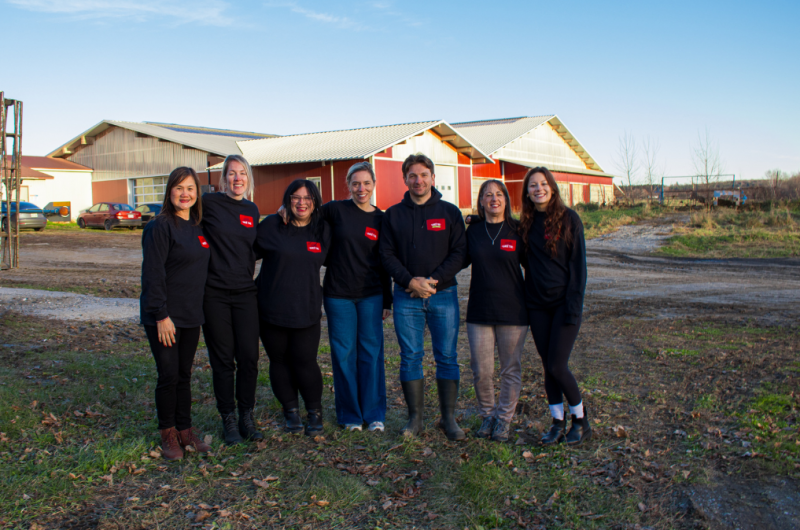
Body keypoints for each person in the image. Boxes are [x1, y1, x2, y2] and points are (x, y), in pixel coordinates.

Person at [379, 153, 467, 441]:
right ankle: (415, 419)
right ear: (405, 179)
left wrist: (432, 281)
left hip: (443, 295)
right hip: (406, 296)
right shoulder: (393, 214)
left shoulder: (449, 212)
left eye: (424, 175)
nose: (418, 180)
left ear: (433, 177)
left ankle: (448, 419)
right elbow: (386, 254)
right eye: (412, 176)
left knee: (447, 356)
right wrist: (409, 281)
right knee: (410, 357)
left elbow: (460, 253)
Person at [140, 167, 211, 460]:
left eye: (191, 189)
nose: (185, 194)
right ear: (170, 191)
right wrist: (160, 315)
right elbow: (153, 274)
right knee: (168, 375)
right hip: (165, 316)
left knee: (183, 374)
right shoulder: (160, 227)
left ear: (197, 193)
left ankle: (185, 431)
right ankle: (167, 434)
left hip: (191, 313)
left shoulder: (198, 227)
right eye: (179, 188)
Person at [518, 167, 590, 446]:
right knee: (548, 366)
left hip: (564, 304)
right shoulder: (525, 222)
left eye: (543, 184)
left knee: (559, 365)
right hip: (537, 306)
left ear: (552, 187)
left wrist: (574, 305)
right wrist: (476, 219)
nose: (538, 189)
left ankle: (581, 421)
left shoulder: (570, 219)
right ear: (527, 191)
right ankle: (557, 423)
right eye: (533, 185)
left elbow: (578, 268)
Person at [320, 162, 392, 433]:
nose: (361, 189)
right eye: (356, 183)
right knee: (344, 354)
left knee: (371, 353)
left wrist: (387, 298)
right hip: (339, 295)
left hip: (371, 295)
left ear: (373, 185)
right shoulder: (335, 209)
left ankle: (374, 413)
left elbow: (385, 260)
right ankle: (350, 415)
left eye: (366, 183)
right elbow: (306, 212)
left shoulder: (381, 219)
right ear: (348, 185)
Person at [256, 179, 331, 436]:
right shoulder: (272, 226)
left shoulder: (323, 230)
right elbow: (243, 253)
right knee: (279, 361)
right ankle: (291, 412)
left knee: (305, 361)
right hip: (271, 308)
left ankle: (314, 412)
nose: (301, 202)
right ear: (288, 200)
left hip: (306, 308)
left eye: (307, 197)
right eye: (295, 197)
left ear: (315, 202)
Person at [201, 154, 263, 445]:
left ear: (248, 179)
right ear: (223, 178)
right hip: (214, 293)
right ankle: (228, 418)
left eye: (242, 174)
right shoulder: (208, 204)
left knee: (249, 357)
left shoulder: (252, 209)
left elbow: (257, 245)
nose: (237, 179)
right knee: (223, 359)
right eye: (231, 174)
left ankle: (246, 416)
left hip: (244, 293)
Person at [462, 179, 528, 442]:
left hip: (513, 311)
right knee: (481, 370)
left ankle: (504, 419)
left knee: (510, 369)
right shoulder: (473, 232)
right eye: (488, 195)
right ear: (481, 201)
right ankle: (487, 415)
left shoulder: (518, 230)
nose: (494, 199)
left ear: (506, 200)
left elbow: (534, 267)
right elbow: (456, 258)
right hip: (479, 311)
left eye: (499, 194)